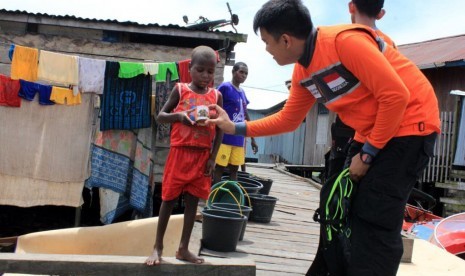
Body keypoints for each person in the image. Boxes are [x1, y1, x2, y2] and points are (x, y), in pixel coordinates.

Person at [206, 0, 440, 275]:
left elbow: (396, 96)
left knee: (374, 214)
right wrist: (235, 128)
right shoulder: (304, 71)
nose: (267, 51)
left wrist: (368, 155)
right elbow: (288, 120)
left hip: (412, 125)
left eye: (267, 42)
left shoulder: (345, 42)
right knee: (336, 202)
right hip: (373, 132)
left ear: (285, 40)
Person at [145, 45, 223, 266]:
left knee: (192, 204)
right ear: (190, 68)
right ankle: (157, 247)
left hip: (202, 157)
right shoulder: (180, 89)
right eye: (200, 70)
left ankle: (183, 248)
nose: (205, 76)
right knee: (168, 200)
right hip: (179, 153)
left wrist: (212, 157)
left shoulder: (216, 96)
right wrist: (179, 117)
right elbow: (161, 116)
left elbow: (220, 130)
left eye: (210, 71)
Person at [325, 0, 395, 181]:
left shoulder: (341, 39)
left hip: (349, 125)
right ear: (381, 14)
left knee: (336, 182)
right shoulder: (388, 44)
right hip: (375, 129)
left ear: (351, 6)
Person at [213, 62, 258, 184]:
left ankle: (232, 199)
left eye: (246, 73)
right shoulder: (225, 87)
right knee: (220, 168)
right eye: (241, 72)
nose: (243, 75)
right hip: (225, 138)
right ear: (233, 72)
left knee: (234, 170)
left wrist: (253, 139)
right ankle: (214, 196)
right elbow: (214, 106)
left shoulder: (243, 93)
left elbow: (245, 115)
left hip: (239, 139)